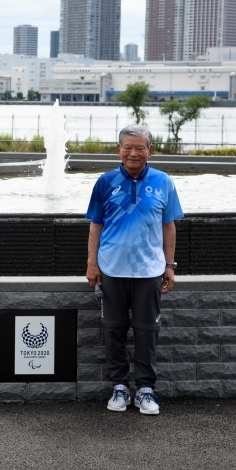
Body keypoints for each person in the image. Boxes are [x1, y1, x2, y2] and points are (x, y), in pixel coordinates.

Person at [86, 124, 182, 416]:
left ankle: (145, 389)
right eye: (127, 147)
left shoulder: (164, 182)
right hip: (112, 269)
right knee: (114, 329)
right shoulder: (106, 182)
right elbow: (96, 224)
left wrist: (168, 265)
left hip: (149, 271)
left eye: (140, 147)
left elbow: (169, 226)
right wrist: (92, 262)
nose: (133, 153)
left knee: (147, 331)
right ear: (118, 150)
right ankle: (119, 387)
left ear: (150, 151)